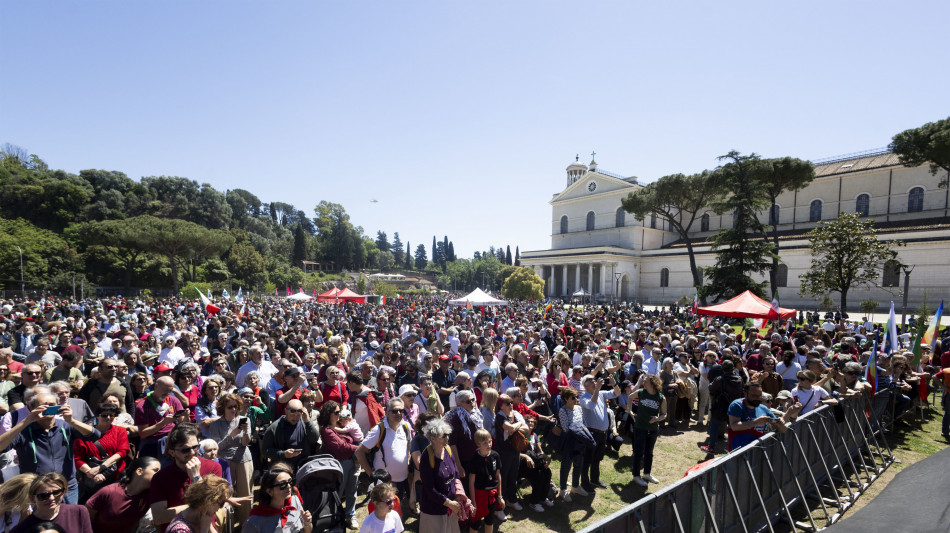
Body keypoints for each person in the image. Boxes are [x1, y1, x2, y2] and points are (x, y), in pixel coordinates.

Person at [0, 391, 101, 505]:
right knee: (39, 517)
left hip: (67, 487)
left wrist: (71, 421)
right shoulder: (24, 430)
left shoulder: (65, 426)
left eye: (52, 405)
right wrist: (26, 421)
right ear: (32, 408)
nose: (48, 408)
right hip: (37, 489)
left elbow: (95, 435)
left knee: (68, 516)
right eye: (43, 406)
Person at [148, 423, 225, 533]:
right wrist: (199, 506)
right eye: (185, 450)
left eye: (195, 447)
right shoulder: (160, 478)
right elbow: (159, 517)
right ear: (172, 452)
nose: (192, 453)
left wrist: (196, 478)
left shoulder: (213, 467)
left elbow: (213, 505)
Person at [204, 393, 253, 525]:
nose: (233, 409)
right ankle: (227, 525)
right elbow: (216, 447)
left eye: (235, 406)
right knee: (225, 495)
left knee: (246, 494)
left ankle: (246, 525)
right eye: (230, 407)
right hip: (225, 462)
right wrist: (231, 435)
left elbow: (245, 443)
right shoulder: (216, 425)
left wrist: (246, 432)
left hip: (244, 459)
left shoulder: (245, 420)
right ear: (223, 408)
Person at [355, 398, 413, 504]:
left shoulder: (405, 426)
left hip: (403, 478)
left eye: (401, 410)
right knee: (386, 511)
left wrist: (408, 456)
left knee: (398, 509)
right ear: (388, 412)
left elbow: (409, 441)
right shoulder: (379, 430)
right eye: (395, 411)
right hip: (385, 485)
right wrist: (372, 475)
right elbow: (359, 452)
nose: (398, 413)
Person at [85, 456, 161, 533]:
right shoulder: (109, 492)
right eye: (155, 470)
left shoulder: (149, 496)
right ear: (139, 471)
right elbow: (83, 519)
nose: (160, 474)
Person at [74, 403, 130, 502]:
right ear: (97, 416)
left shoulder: (120, 431)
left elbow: (122, 451)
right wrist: (92, 474)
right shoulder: (85, 433)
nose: (108, 418)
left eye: (112, 415)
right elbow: (77, 459)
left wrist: (101, 468)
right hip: (91, 481)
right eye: (104, 415)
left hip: (115, 478)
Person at [318, 401, 359, 528]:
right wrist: (360, 448)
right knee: (338, 492)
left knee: (352, 490)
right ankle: (334, 517)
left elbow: (352, 438)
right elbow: (341, 446)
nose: (339, 414)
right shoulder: (327, 430)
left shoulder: (341, 425)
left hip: (352, 460)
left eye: (339, 412)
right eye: (336, 412)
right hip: (340, 464)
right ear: (328, 414)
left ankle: (350, 515)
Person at [416, 418, 461, 533]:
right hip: (434, 511)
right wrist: (449, 503)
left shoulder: (448, 450)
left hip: (450, 508)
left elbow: (456, 474)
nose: (447, 438)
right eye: (443, 435)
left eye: (448, 434)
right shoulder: (426, 458)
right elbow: (429, 488)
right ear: (432, 438)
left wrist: (459, 494)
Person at [10, 473, 92, 533]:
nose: (51, 498)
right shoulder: (22, 529)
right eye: (43, 495)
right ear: (32, 499)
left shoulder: (79, 511)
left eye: (57, 492)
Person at [578, 373, 619, 492]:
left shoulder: (600, 393)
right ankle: (585, 483)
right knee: (588, 460)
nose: (593, 381)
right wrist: (597, 390)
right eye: (590, 380)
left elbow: (617, 393)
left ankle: (595, 479)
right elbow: (591, 405)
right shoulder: (583, 398)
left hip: (603, 433)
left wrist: (614, 384)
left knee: (597, 459)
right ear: (585, 385)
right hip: (592, 434)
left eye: (594, 379)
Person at [244, 463, 313, 533]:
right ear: (269, 491)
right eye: (282, 484)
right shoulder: (254, 522)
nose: (289, 486)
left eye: (290, 481)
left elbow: (307, 531)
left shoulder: (295, 501)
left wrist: (307, 523)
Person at [727, 382, 795, 451]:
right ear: (745, 394)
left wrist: (780, 423)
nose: (757, 398)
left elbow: (782, 429)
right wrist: (756, 422)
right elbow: (734, 426)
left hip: (758, 451)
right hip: (739, 451)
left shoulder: (763, 408)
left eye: (759, 396)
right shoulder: (737, 405)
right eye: (754, 396)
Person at [261, 399, 321, 472]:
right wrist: (283, 454)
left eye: (298, 415)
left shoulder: (305, 422)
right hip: (284, 468)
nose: (295, 418)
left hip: (304, 466)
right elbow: (265, 451)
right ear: (286, 411)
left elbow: (314, 439)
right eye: (292, 415)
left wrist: (308, 422)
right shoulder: (275, 427)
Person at [134, 376, 185, 459]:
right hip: (152, 443)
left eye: (170, 391)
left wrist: (186, 415)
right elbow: (143, 433)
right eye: (165, 390)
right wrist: (163, 423)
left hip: (172, 440)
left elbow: (183, 423)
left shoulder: (173, 400)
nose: (167, 393)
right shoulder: (142, 406)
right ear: (156, 386)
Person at [630, 374, 666, 487]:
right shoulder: (641, 392)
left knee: (649, 452)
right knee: (638, 452)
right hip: (640, 427)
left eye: (646, 381)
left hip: (653, 429)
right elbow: (630, 397)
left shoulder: (661, 397)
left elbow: (664, 414)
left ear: (653, 383)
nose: (643, 382)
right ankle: (636, 476)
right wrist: (629, 411)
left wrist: (657, 418)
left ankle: (647, 474)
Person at [163, 475, 232, 533]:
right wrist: (204, 530)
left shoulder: (202, 519)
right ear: (208, 501)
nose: (220, 508)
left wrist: (209, 526)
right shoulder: (180, 530)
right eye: (221, 503)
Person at [556, 386, 590, 502]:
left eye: (576, 397)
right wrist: (579, 429)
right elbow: (566, 428)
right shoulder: (563, 411)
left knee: (578, 464)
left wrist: (581, 430)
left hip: (580, 442)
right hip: (569, 443)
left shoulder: (579, 408)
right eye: (573, 397)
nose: (576, 399)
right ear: (566, 399)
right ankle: (563, 489)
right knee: (566, 466)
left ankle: (575, 486)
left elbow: (584, 423)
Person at [466, 429, 503, 533]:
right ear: (478, 444)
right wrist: (473, 503)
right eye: (485, 443)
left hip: (492, 494)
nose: (489, 445)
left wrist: (500, 496)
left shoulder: (495, 455)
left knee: (489, 520)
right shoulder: (474, 459)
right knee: (475, 522)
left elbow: (498, 476)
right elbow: (471, 482)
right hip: (479, 495)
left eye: (490, 441)